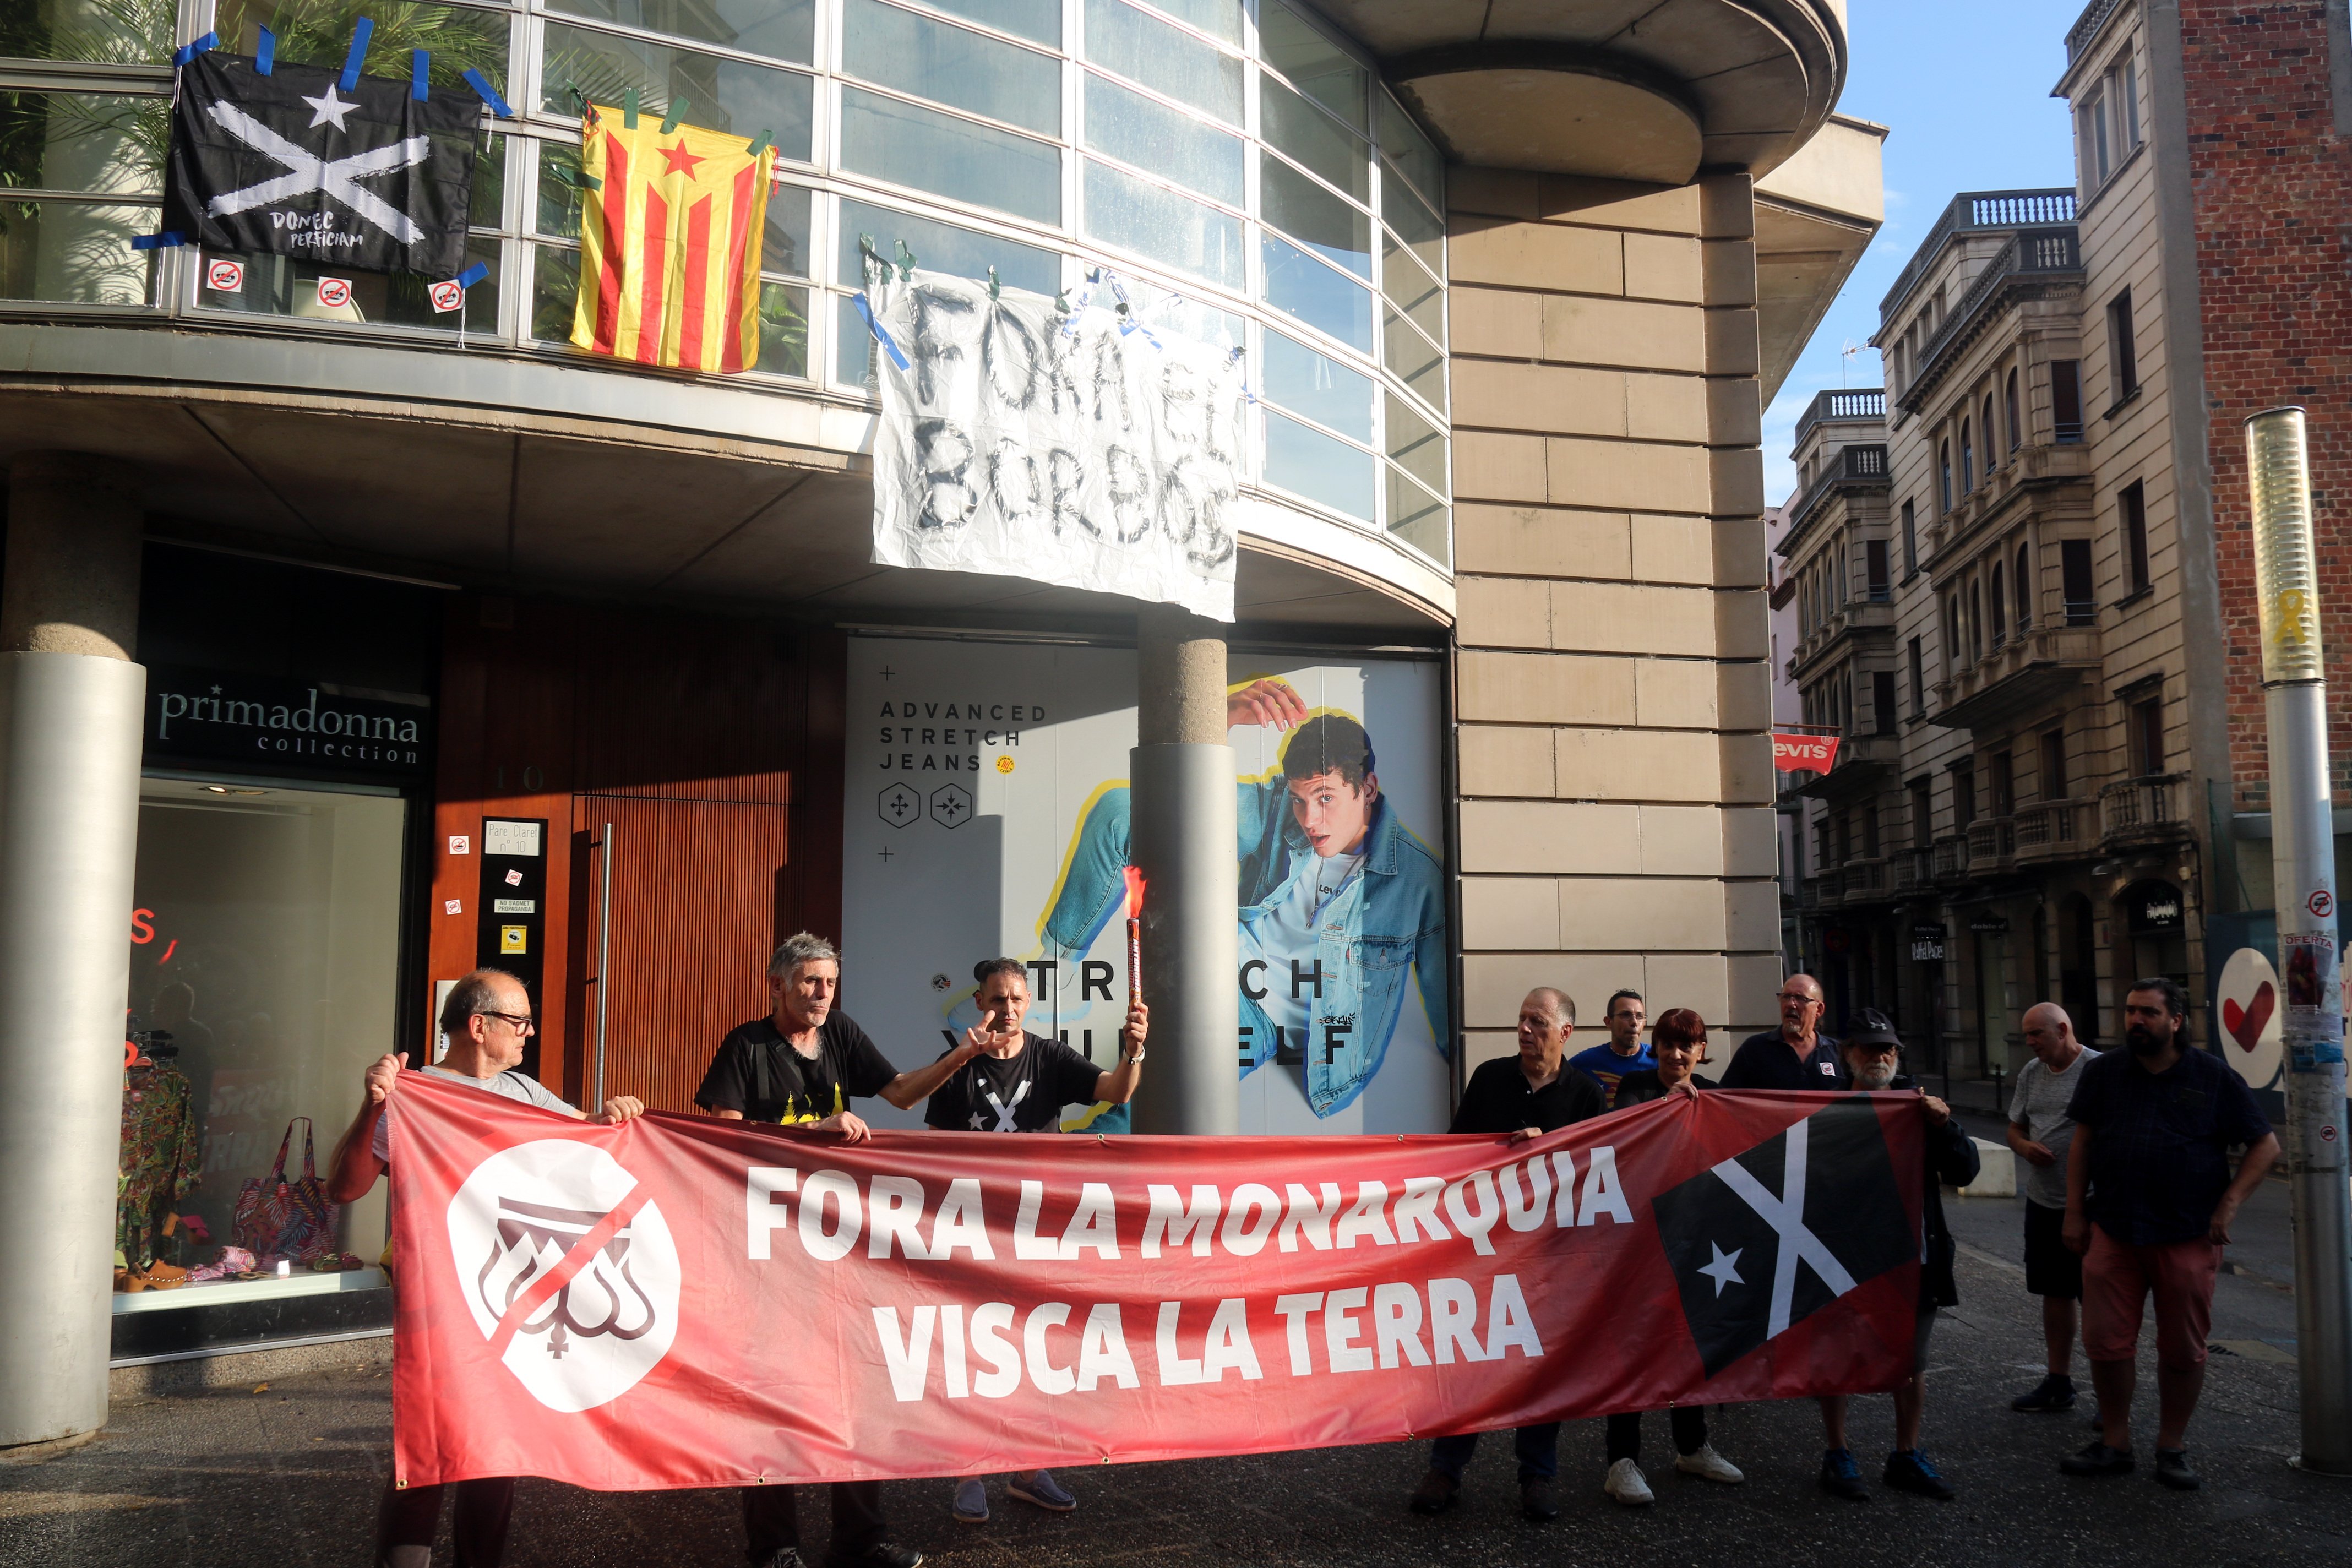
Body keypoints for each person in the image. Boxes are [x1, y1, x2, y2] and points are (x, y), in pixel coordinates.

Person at [324, 967, 646, 1568]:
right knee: (427, 1445)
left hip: (511, 1297)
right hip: (438, 1300)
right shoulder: (413, 1093)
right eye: (520, 1021)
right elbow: (345, 1189)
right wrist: (374, 1107)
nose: (529, 1033)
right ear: (478, 1025)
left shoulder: (524, 1092)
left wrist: (614, 1116)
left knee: (496, 1441)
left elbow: (587, 1137)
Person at [695, 932, 977, 1568]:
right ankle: (774, 1547)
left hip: (837, 1249)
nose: (823, 994)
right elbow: (721, 1139)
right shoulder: (747, 1045)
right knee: (773, 1397)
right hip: (765, 1253)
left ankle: (862, 1538)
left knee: (856, 1391)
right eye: (809, 983)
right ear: (776, 986)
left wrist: (961, 1056)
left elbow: (902, 1092)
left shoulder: (841, 1033)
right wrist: (811, 1134)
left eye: (829, 982)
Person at [1042, 681, 1446, 1121]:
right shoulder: (1275, 810)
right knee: (1120, 811)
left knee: (1149, 1107)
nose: (1310, 820)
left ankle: (1072, 1176)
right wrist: (1222, 716)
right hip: (1226, 966)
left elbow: (1451, 1014)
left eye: (1326, 799)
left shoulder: (1417, 880)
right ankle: (1053, 972)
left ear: (1367, 788)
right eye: (1299, 800)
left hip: (1267, 1018)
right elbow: (1177, 800)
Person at [932, 957, 1148, 1525]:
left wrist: (1135, 1051)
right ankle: (969, 1469)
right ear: (980, 1002)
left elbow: (1116, 1089)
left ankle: (1029, 1468)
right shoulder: (956, 1064)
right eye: (997, 999)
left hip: (1037, 1231)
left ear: (1029, 1003)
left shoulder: (1050, 1056)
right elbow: (928, 1152)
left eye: (1017, 1000)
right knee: (973, 1350)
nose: (1007, 1009)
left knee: (1035, 1348)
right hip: (973, 1231)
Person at [2059, 977, 2279, 1491]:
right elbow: (2083, 1143)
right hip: (2113, 1228)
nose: (2136, 1021)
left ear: (2176, 1021)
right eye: (2132, 1012)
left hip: (2185, 1233)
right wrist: (2073, 1212)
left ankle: (2171, 1446)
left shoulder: (2213, 1076)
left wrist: (2229, 1204)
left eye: (2149, 1014)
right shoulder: (2105, 1072)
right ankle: (2115, 1442)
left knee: (2182, 1349)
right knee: (2106, 1344)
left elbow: (2264, 1145)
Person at [1409, 988, 1603, 1523]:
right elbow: (1455, 1154)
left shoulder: (1585, 1094)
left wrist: (1551, 1147)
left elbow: (1598, 1170)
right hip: (1484, 1253)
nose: (1524, 1030)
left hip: (1548, 1258)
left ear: (1565, 1033)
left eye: (1537, 1021)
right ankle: (1446, 1468)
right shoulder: (1490, 1079)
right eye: (1521, 1019)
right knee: (1469, 1358)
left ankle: (1537, 1476)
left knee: (1538, 1366)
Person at [1816, 1009, 1979, 1503]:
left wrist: (1946, 1127)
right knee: (1838, 1356)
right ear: (1847, 1055)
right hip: (1844, 1257)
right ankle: (1837, 1452)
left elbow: (1964, 1171)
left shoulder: (1919, 1108)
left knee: (1911, 1361)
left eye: (1887, 1048)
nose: (1880, 1057)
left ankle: (1906, 1453)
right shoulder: (1823, 1111)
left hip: (1913, 1257)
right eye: (1868, 1048)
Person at [1599, 1008, 1743, 1504]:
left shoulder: (1715, 1094)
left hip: (1698, 1243)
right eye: (1668, 1043)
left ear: (1701, 1050)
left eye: (1688, 1045)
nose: (1677, 1054)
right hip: (1640, 1244)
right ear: (1654, 1047)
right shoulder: (1636, 1088)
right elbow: (1622, 1140)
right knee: (1635, 1349)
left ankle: (1691, 1446)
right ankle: (1622, 1462)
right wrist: (1668, 1104)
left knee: (1689, 1344)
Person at [2007, 1001, 2099, 1414]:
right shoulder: (2032, 1073)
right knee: (2054, 1292)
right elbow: (2015, 1127)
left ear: (2063, 1030)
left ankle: (2110, 1394)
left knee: (2098, 1298)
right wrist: (2024, 1147)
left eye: (2036, 1034)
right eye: (2027, 1035)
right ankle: (2058, 1381)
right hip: (2044, 1201)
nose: (2029, 1043)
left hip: (2094, 1204)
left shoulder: (2098, 1071)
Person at [1718, 973, 1844, 1090]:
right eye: (1786, 997)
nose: (1791, 1004)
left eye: (1800, 998)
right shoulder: (1755, 1049)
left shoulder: (1838, 1053)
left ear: (1819, 1010)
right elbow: (1724, 1096)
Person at [1567, 989, 1653, 1108]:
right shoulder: (1584, 1063)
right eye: (1626, 1015)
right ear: (1608, 1022)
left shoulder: (1658, 1060)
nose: (1634, 1022)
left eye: (1640, 1016)